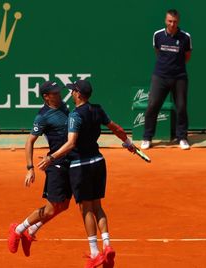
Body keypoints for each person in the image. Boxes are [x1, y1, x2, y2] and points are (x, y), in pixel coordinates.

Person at [38, 80, 136, 268]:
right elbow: (116, 128)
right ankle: (107, 245)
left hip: (80, 167)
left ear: (79, 94)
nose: (71, 93)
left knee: (86, 210)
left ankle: (94, 253)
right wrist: (128, 143)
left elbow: (71, 143)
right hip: (98, 163)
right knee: (98, 206)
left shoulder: (75, 115)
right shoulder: (97, 109)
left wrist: (52, 157)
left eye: (73, 91)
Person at [8, 81, 72, 257]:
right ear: (46, 97)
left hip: (70, 162)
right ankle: (18, 229)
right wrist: (30, 168)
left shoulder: (64, 106)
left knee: (64, 205)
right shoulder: (42, 116)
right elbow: (29, 141)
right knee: (51, 208)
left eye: (59, 92)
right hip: (56, 164)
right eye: (55, 93)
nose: (59, 94)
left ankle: (32, 232)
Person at [142, 9, 192, 150]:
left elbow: (187, 56)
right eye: (170, 21)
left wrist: (176, 67)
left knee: (181, 107)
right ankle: (147, 137)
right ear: (165, 21)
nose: (172, 24)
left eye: (175, 21)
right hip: (160, 77)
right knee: (152, 106)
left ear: (178, 22)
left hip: (179, 78)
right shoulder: (157, 35)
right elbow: (158, 52)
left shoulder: (185, 37)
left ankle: (182, 138)